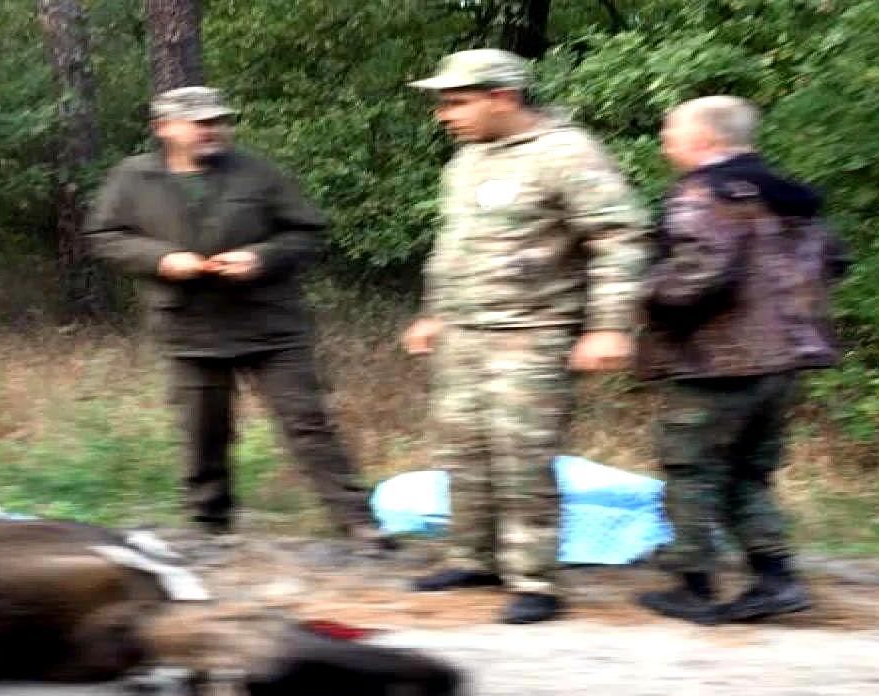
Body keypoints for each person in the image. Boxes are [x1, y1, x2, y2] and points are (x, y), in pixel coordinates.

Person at [401, 49, 649, 624]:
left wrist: (609, 326)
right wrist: (434, 312)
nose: (444, 114)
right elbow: (455, 247)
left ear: (503, 98)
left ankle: (534, 579)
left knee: (522, 457)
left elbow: (618, 239)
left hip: (532, 334)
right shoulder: (466, 162)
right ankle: (472, 557)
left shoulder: (567, 153)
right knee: (462, 450)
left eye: (457, 101)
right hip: (464, 334)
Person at [84, 86, 386, 546]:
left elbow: (307, 233)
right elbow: (105, 236)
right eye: (201, 122)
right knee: (203, 430)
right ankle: (209, 527)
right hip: (187, 326)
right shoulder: (132, 178)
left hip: (269, 326)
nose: (213, 129)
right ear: (164, 128)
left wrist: (260, 257)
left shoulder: (257, 172)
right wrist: (161, 259)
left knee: (307, 423)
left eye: (218, 121)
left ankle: (357, 522)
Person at [634, 95, 848, 625]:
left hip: (716, 360)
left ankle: (693, 585)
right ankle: (775, 579)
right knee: (748, 474)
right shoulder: (790, 196)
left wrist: (644, 292)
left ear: (707, 139)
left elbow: (701, 273)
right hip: (785, 360)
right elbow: (837, 261)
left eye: (672, 130)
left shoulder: (705, 192)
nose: (665, 140)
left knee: (691, 470)